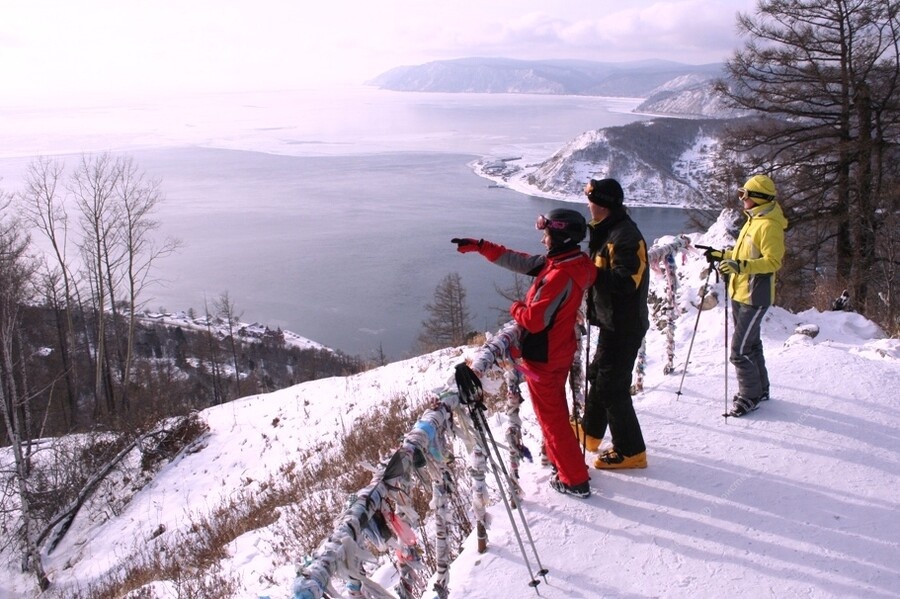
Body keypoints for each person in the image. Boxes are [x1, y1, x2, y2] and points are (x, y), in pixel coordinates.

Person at [451, 208, 597, 498]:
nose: (543, 241)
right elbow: (519, 260)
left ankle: (575, 480)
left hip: (545, 358)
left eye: (546, 235)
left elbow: (533, 320)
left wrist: (515, 307)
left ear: (560, 237)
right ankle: (565, 466)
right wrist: (483, 247)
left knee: (552, 420)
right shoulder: (570, 262)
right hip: (559, 350)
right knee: (556, 414)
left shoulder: (559, 275)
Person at [580, 178, 650, 470]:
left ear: (604, 204)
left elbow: (627, 281)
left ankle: (631, 450)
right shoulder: (609, 231)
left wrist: (590, 273)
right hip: (613, 323)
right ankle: (591, 433)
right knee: (599, 375)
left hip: (625, 325)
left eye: (592, 200)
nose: (588, 205)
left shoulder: (625, 237)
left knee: (612, 386)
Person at [706, 174, 788, 417]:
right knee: (752, 344)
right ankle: (761, 390)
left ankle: (749, 396)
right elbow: (745, 253)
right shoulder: (753, 221)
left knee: (739, 350)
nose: (742, 198)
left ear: (759, 198)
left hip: (755, 295)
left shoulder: (769, 225)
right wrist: (722, 256)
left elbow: (773, 262)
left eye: (745, 194)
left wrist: (740, 266)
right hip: (740, 292)